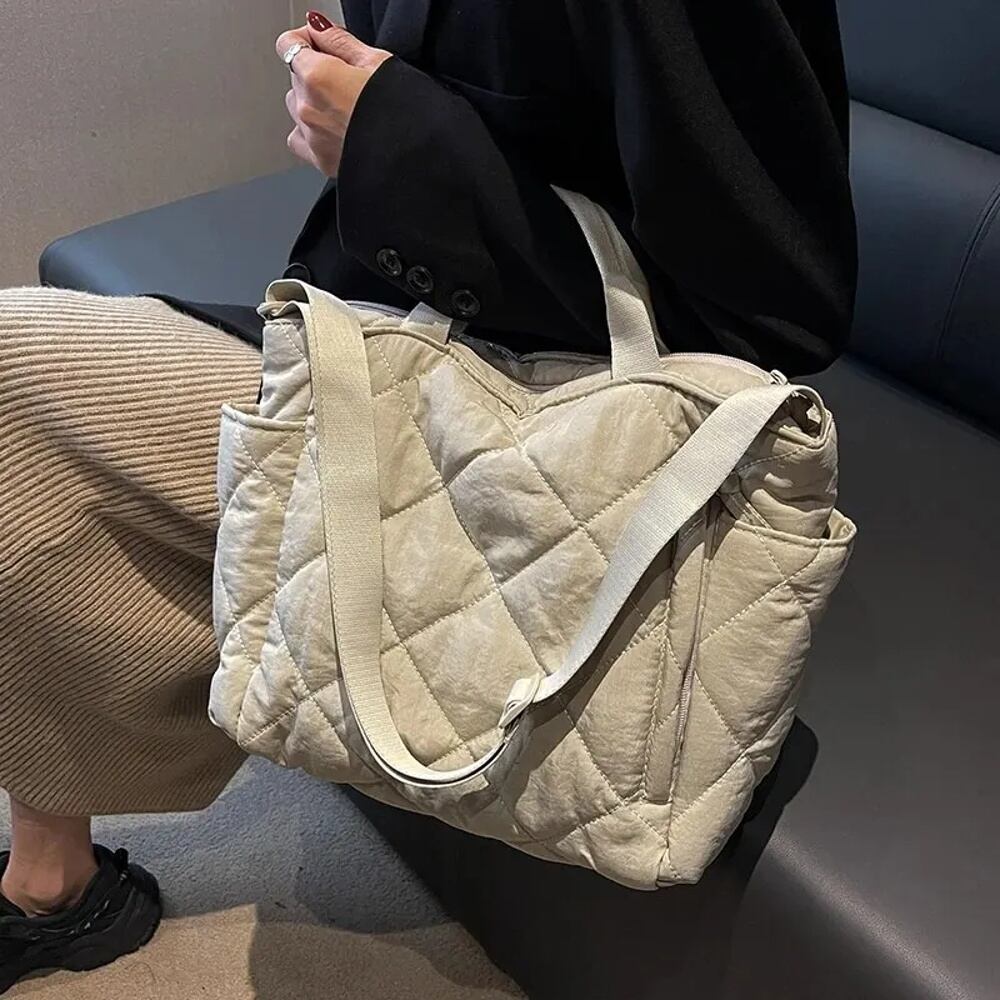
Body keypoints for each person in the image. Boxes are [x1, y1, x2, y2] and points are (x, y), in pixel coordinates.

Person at [0, 1, 857, 989]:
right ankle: (52, 879)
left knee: (21, 377)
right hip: (407, 327)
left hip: (577, 415)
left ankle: (54, 890)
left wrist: (390, 141)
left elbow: (778, 305)